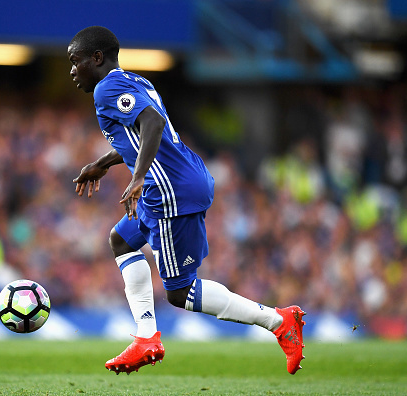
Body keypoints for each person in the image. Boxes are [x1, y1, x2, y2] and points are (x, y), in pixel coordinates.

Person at [67, 26, 306, 375]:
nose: (72, 70)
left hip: (170, 191)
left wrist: (136, 177)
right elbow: (141, 133)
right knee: (121, 240)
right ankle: (146, 337)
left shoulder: (107, 88)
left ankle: (278, 321)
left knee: (181, 293)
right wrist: (101, 164)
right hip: (173, 181)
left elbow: (152, 122)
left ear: (97, 58)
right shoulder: (134, 80)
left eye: (76, 62)